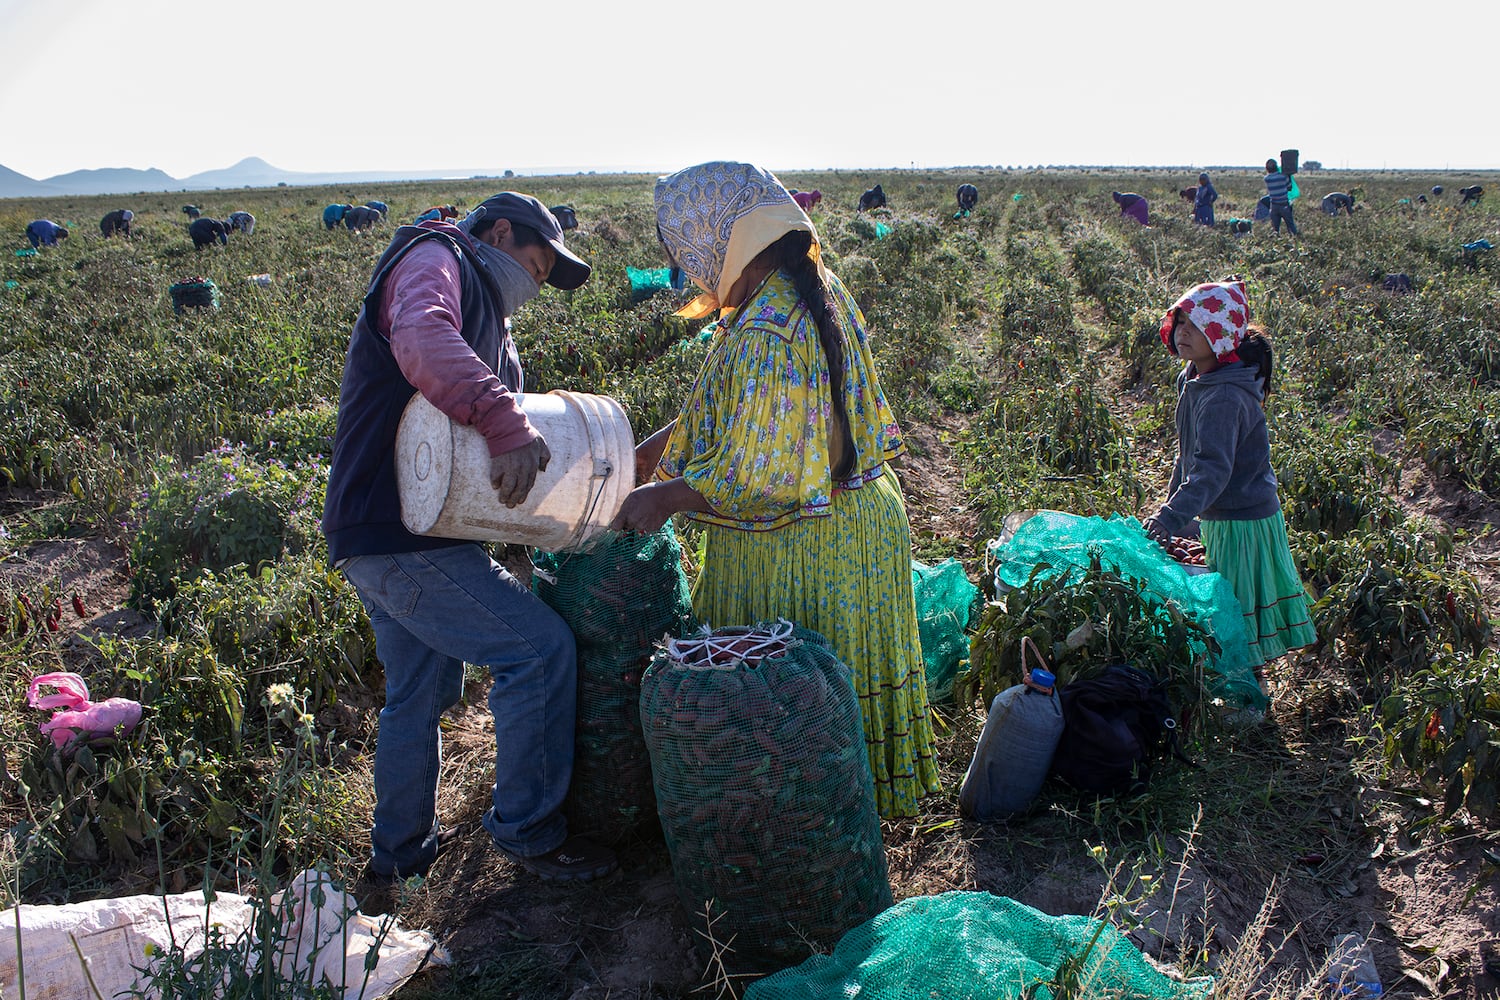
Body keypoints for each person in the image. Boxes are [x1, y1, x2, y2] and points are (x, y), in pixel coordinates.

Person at [611, 161, 941, 819]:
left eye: (688, 253)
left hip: (809, 540)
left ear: (721, 241)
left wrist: (665, 497)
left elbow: (763, 475)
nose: (691, 269)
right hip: (858, 524)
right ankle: (843, 812)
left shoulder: (768, 324)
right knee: (832, 702)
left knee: (789, 712)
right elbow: (755, 411)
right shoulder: (807, 291)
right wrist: (651, 454)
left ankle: (797, 820)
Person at [322, 192, 616, 904]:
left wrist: (522, 534)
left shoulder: (486, 305)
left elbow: (482, 443)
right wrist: (504, 420)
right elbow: (422, 339)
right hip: (400, 533)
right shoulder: (436, 258)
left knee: (417, 692)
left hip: (388, 528)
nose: (538, 284)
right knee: (537, 651)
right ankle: (528, 831)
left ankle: (398, 857)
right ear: (501, 233)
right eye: (539, 265)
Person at [1143, 280, 1317, 675]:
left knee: (1236, 611)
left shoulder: (1224, 397)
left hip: (1243, 520)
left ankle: (1249, 698)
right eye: (1180, 321)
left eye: (1196, 325)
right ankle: (1236, 680)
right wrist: (1175, 509)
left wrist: (1169, 518)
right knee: (1225, 604)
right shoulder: (1194, 377)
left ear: (1221, 336)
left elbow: (1211, 472)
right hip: (1221, 514)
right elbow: (1190, 457)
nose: (1183, 332)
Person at [1262, 160, 1298, 236]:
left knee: (1275, 229)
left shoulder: (1267, 179)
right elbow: (1289, 187)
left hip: (1274, 205)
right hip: (1284, 204)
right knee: (1291, 226)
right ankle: (1295, 239)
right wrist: (1288, 175)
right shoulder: (1283, 176)